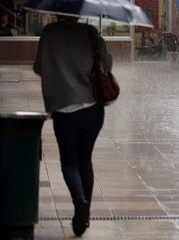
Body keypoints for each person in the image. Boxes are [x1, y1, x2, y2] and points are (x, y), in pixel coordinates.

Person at [34, 15, 111, 237]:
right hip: (92, 109)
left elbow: (39, 67)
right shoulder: (90, 33)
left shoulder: (49, 33)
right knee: (85, 158)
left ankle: (79, 200)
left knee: (69, 162)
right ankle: (82, 216)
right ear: (78, 13)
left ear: (57, 12)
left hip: (64, 109)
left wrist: (58, 69)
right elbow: (106, 64)